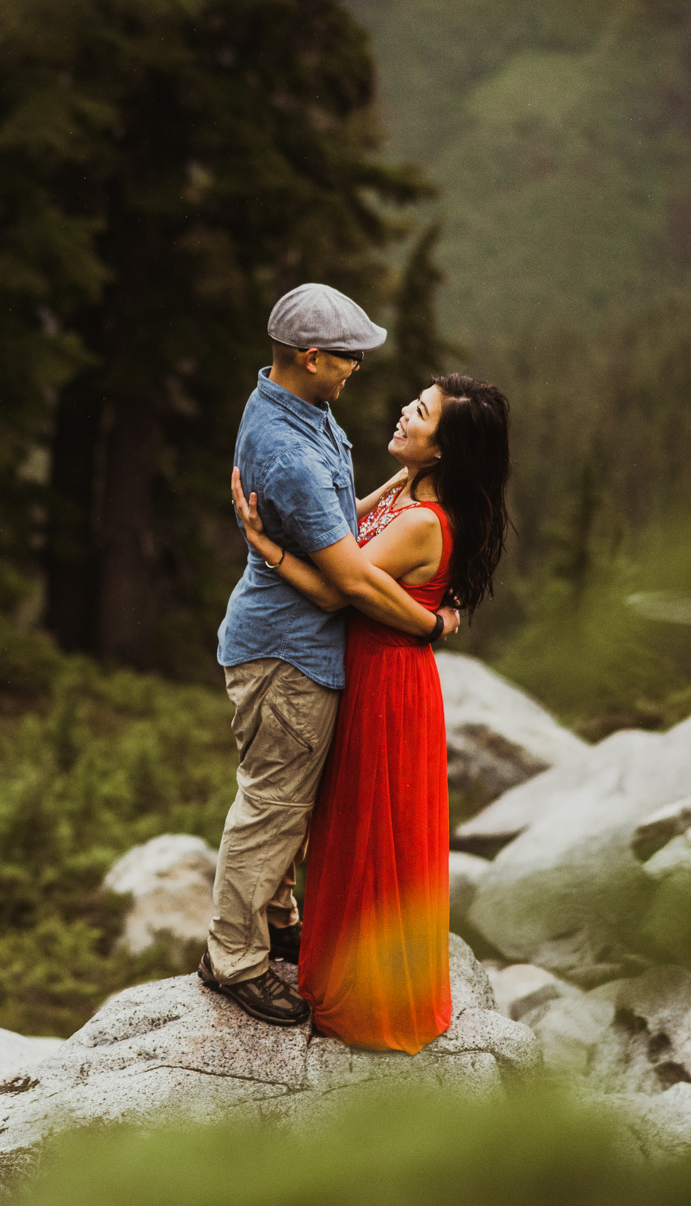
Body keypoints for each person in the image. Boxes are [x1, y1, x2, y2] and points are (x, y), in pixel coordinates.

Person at [201, 284, 459, 1028]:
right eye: (349, 358)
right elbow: (345, 582)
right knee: (273, 806)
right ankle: (234, 958)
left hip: (292, 649)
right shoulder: (288, 450)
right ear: (311, 356)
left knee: (292, 802)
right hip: (288, 655)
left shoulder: (296, 406)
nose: (357, 369)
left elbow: (338, 523)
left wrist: (403, 488)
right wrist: (428, 624)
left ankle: (277, 920)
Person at [232, 372, 512, 1052]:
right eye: (413, 402)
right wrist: (435, 615)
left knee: (370, 825)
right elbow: (352, 526)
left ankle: (368, 992)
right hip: (374, 670)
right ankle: (332, 951)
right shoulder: (408, 494)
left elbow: (338, 586)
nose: (403, 413)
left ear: (442, 449)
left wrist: (264, 545)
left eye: (420, 412)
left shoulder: (421, 521)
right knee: (350, 818)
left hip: (385, 682)